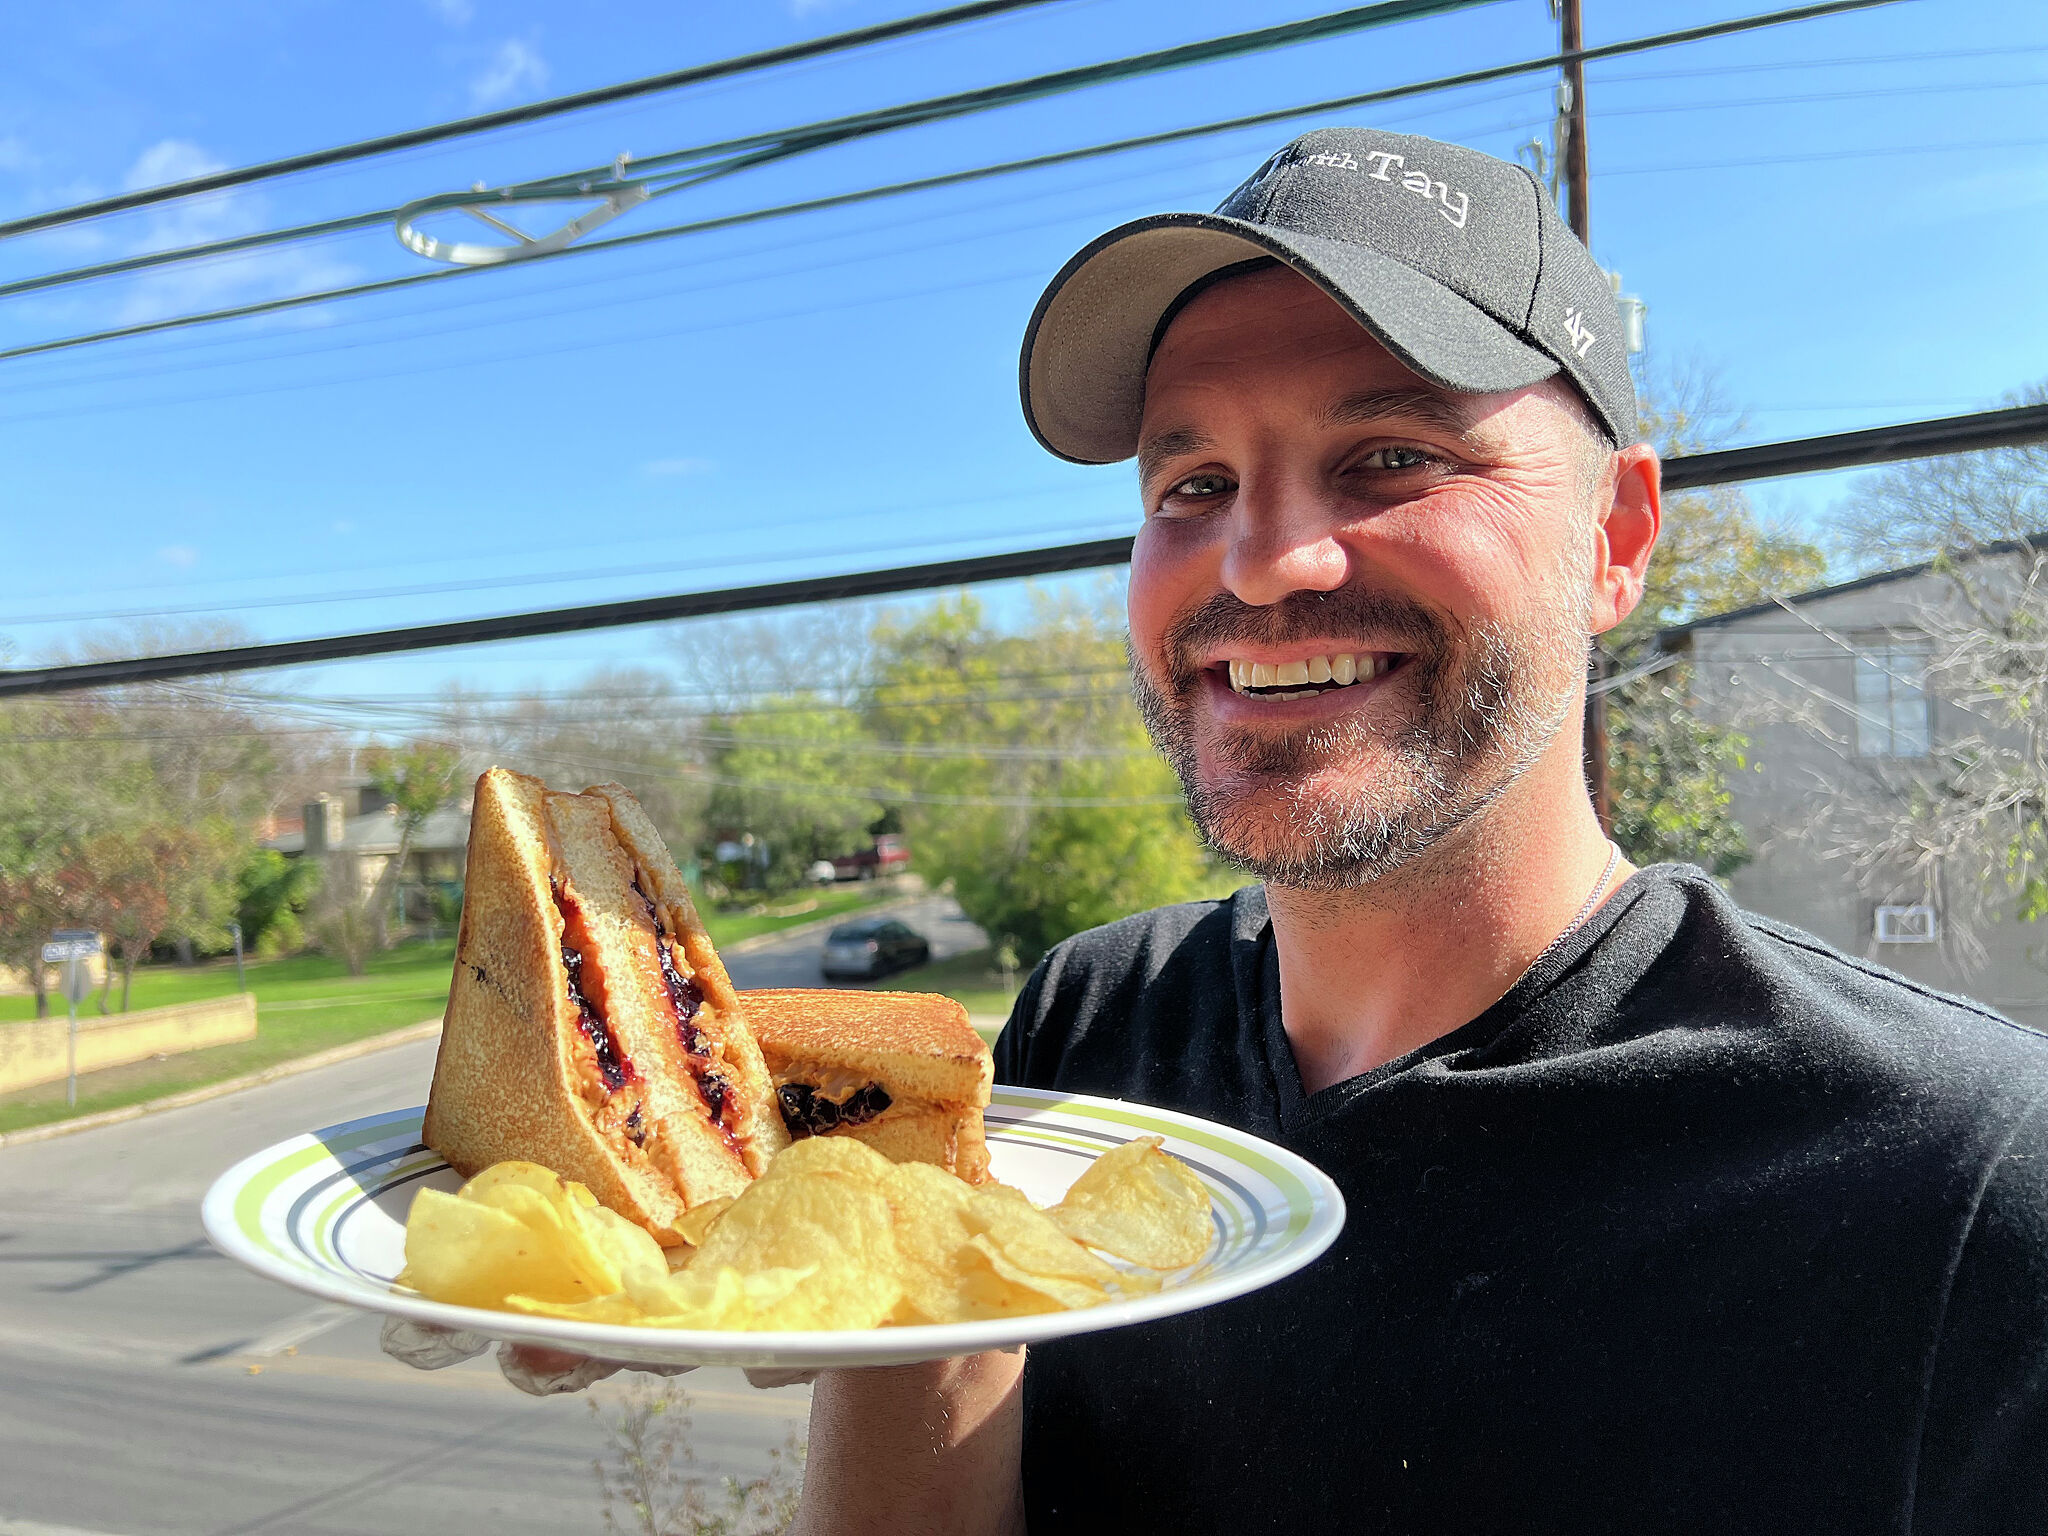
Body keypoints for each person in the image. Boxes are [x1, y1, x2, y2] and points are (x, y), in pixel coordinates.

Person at [792, 127, 2048, 1533]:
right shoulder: (1088, 1035)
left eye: (1390, 455)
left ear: (1618, 539)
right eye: (1190, 484)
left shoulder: (1966, 1184)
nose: (1263, 558)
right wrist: (812, 1267)